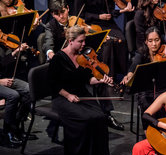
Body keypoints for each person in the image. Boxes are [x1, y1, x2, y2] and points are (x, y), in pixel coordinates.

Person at [43, 0, 124, 135]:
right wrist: (50, 53)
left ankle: (107, 114)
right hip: (65, 65)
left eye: (63, 12)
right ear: (52, 14)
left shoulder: (77, 21)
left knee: (99, 75)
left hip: (82, 60)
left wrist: (102, 37)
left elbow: (89, 37)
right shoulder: (50, 26)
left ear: (68, 8)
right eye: (57, 14)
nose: (61, 16)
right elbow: (48, 43)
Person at [48, 25, 119, 155]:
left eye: (84, 41)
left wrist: (101, 79)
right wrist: (68, 95)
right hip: (62, 97)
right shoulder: (58, 59)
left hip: (81, 94)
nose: (84, 44)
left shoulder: (83, 58)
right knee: (86, 118)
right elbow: (52, 85)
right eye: (80, 41)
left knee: (100, 115)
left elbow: (88, 79)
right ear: (70, 41)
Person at [121, 26, 166, 131]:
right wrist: (128, 76)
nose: (154, 44)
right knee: (147, 103)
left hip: (164, 88)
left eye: (157, 40)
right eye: (150, 41)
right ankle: (149, 132)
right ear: (146, 42)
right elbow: (133, 66)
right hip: (146, 91)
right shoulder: (141, 53)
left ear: (160, 40)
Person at [82, 0, 134, 79]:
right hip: (91, 24)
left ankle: (125, 75)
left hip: (107, 23)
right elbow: (81, 15)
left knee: (121, 40)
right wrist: (98, 16)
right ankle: (109, 76)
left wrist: (123, 10)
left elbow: (111, 12)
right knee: (108, 42)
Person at [0, 38, 31, 146]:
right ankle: (6, 133)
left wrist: (16, 51)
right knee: (13, 95)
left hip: (4, 79)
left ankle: (15, 126)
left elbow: (2, 63)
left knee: (29, 90)